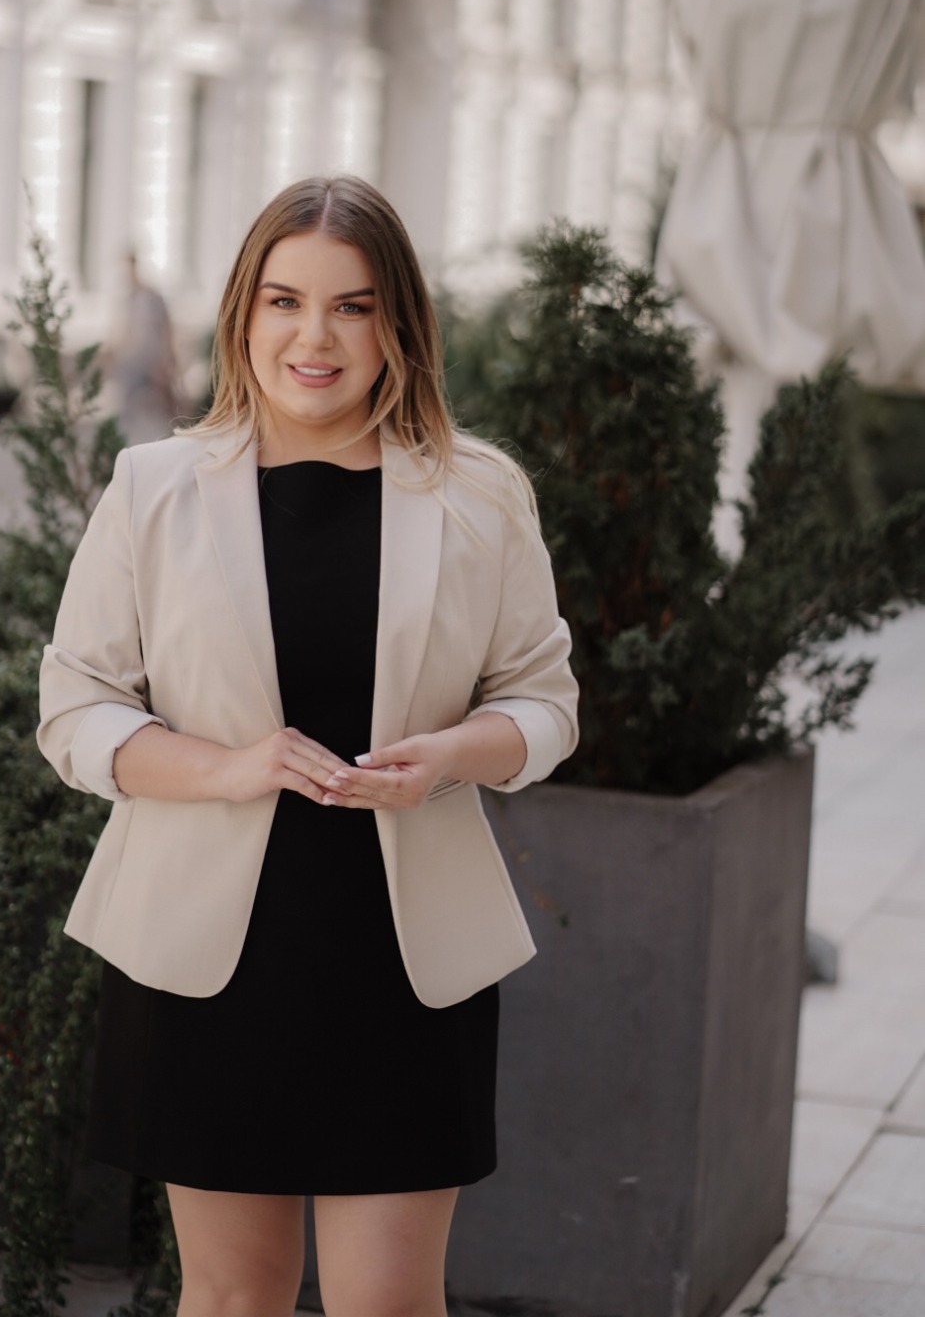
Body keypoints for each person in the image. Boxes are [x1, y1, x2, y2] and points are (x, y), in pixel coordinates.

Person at [37, 175, 579, 1317]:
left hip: (404, 957)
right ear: (243, 314)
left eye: (352, 306)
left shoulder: (480, 495)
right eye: (284, 301)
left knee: (388, 1302)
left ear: (397, 326)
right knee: (234, 1297)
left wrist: (450, 755)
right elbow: (76, 710)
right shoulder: (154, 487)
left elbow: (543, 706)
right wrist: (228, 767)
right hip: (205, 954)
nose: (314, 337)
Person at [107, 249, 179, 443]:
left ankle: (170, 439)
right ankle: (125, 441)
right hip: (129, 360)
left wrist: (166, 358)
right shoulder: (126, 298)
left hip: (150, 360)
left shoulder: (152, 297)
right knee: (126, 406)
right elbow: (121, 328)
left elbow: (166, 327)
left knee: (163, 405)